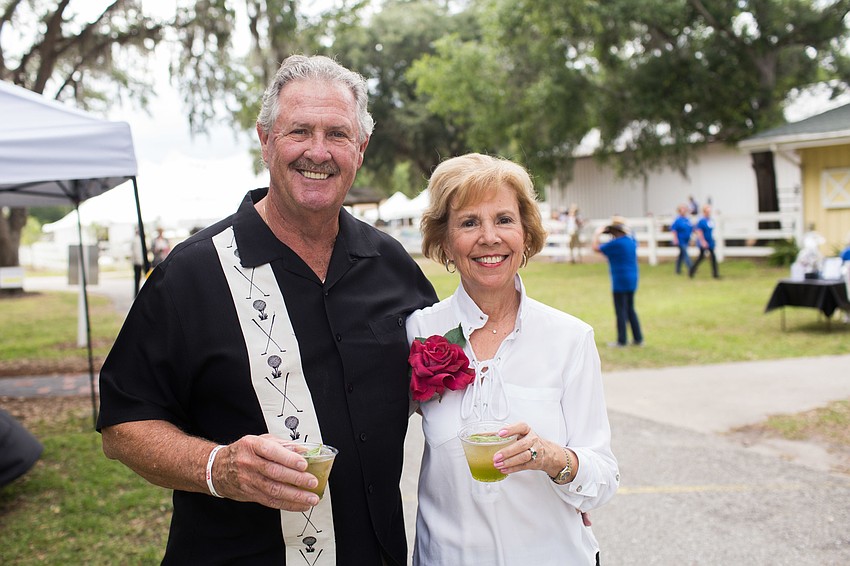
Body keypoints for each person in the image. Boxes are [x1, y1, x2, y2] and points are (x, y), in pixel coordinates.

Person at [97, 55, 437, 565]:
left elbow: (461, 382)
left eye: (337, 134)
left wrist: (560, 472)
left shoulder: (391, 265)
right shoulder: (190, 275)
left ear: (361, 149)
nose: (317, 152)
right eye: (299, 131)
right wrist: (219, 465)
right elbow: (124, 426)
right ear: (265, 140)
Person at [407, 153, 619, 565]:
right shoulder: (417, 332)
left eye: (504, 219)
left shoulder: (570, 339)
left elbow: (603, 479)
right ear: (446, 240)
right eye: (469, 222)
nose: (489, 237)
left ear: (525, 233)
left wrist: (554, 458)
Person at [592, 217, 644, 348]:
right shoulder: (631, 241)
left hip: (620, 280)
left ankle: (622, 340)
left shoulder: (616, 244)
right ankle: (638, 338)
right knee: (631, 308)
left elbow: (595, 248)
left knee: (620, 310)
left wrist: (597, 233)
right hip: (632, 278)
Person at [690, 204, 719, 279]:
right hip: (704, 241)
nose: (709, 211)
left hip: (710, 241)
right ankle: (691, 271)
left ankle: (715, 274)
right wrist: (703, 241)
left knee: (713, 257)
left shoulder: (710, 220)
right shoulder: (701, 220)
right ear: (704, 211)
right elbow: (699, 231)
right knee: (701, 257)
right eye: (708, 210)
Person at [670, 204, 693, 275]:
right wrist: (675, 239)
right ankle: (691, 268)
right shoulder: (677, 220)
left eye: (684, 209)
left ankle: (677, 270)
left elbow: (691, 228)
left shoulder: (687, 219)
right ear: (679, 211)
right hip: (680, 240)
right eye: (682, 209)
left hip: (686, 240)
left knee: (681, 255)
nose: (684, 210)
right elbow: (674, 230)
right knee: (685, 253)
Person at [130, 227, 145, 296]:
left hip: (140, 261)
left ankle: (138, 293)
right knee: (137, 278)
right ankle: (136, 293)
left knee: (139, 278)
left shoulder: (139, 239)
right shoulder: (136, 240)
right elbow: (136, 252)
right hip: (137, 262)